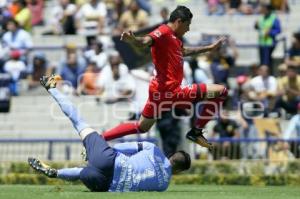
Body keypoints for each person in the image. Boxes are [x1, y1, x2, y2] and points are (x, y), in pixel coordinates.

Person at [28, 74, 191, 192]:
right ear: (179, 171)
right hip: (104, 184)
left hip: (109, 160)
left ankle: (52, 88)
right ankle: (56, 173)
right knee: (81, 172)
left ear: (172, 156)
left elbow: (124, 146)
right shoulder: (163, 186)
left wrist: (99, 149)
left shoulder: (152, 149)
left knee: (79, 123)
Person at [100, 6, 228, 149]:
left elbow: (183, 51)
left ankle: (101, 138)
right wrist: (133, 40)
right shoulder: (164, 31)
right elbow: (145, 41)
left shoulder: (175, 39)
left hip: (158, 92)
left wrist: (209, 48)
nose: (188, 29)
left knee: (142, 126)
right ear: (179, 21)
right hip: (172, 91)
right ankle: (196, 131)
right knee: (221, 92)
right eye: (187, 25)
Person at [254, 4, 281, 71]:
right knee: (262, 61)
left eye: (264, 9)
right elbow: (257, 28)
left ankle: (269, 75)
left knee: (267, 62)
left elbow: (278, 30)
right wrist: (256, 25)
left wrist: (270, 32)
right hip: (262, 42)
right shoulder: (261, 18)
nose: (263, 10)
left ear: (268, 10)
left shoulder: (274, 18)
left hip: (269, 43)